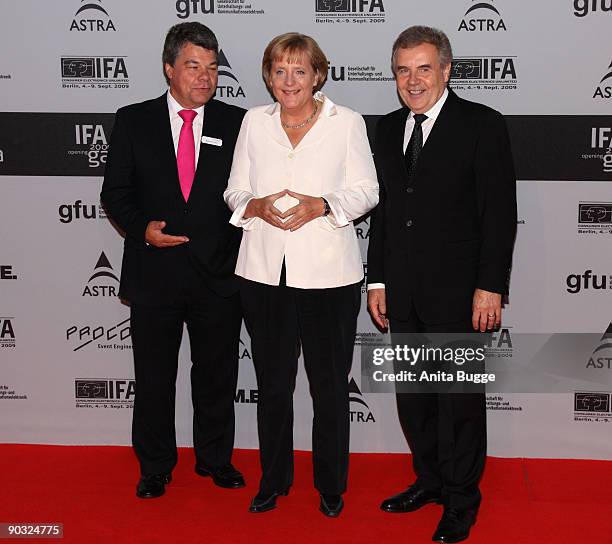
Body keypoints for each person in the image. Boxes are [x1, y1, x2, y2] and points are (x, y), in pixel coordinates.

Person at [367, 26, 516, 542]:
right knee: (414, 398)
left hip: (461, 293)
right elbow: (385, 214)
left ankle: (461, 499)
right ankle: (428, 481)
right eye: (403, 70)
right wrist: (378, 278)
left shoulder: (481, 124)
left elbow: (498, 214)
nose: (413, 80)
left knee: (459, 401)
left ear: (446, 70)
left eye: (423, 68)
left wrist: (490, 286)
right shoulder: (385, 130)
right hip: (402, 291)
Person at [224, 32, 378, 517]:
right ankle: (274, 480)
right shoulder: (252, 122)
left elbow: (367, 190)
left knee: (329, 386)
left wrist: (323, 205)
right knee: (272, 384)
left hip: (329, 278)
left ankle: (330, 484)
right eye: (279, 70)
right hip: (264, 274)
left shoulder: (346, 123)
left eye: (300, 70)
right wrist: (255, 205)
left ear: (317, 75)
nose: (289, 81)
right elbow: (233, 190)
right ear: (269, 76)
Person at [101, 22, 246, 499]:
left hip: (218, 275)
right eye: (192, 66)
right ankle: (156, 465)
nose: (205, 77)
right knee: (154, 378)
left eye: (211, 68)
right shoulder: (133, 119)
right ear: (169, 69)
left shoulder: (238, 122)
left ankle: (215, 459)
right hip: (153, 273)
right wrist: (142, 229)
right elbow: (115, 193)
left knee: (217, 375)